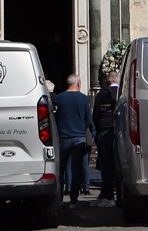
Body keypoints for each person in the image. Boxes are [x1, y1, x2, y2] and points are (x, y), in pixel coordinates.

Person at [53, 74, 93, 209]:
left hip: (63, 137)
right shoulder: (83, 98)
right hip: (79, 137)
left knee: (60, 169)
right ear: (79, 84)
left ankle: (59, 198)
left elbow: (55, 117)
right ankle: (73, 200)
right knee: (76, 169)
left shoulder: (59, 98)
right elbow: (88, 120)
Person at [91, 71, 119, 208]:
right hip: (118, 131)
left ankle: (108, 196)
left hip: (104, 131)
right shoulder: (121, 92)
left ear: (107, 82)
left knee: (106, 165)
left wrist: (96, 129)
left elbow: (96, 114)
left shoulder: (101, 94)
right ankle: (104, 195)